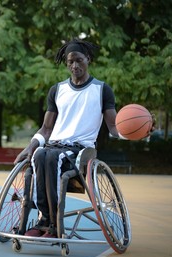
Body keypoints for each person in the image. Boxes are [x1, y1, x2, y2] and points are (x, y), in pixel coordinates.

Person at [14, 38, 122, 238]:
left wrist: (133, 132)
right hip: (54, 146)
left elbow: (114, 127)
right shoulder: (57, 90)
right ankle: (43, 220)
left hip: (80, 149)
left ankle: (55, 226)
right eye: (70, 62)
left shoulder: (101, 90)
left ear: (88, 59)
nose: (74, 66)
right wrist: (30, 146)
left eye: (79, 60)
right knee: (39, 155)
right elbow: (46, 128)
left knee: (53, 157)